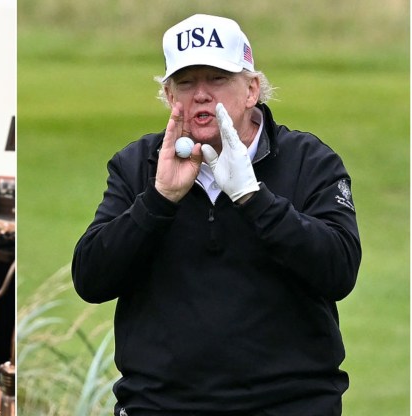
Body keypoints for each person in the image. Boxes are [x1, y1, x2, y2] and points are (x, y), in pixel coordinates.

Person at [72, 14, 360, 415]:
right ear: (170, 97)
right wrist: (159, 200)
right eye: (186, 84)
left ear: (252, 89)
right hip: (159, 404)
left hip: (290, 403)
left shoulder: (310, 161)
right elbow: (91, 278)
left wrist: (254, 199)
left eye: (218, 79)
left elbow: (339, 270)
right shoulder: (139, 165)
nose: (201, 95)